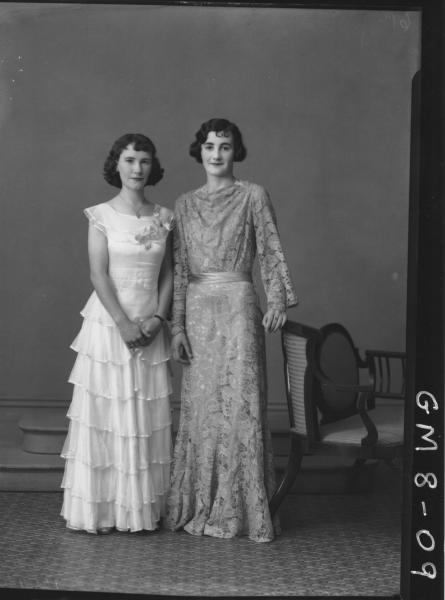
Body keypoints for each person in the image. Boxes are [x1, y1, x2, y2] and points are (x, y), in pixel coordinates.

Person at [165, 118, 297, 542]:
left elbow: (271, 247)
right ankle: (200, 503)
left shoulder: (253, 195)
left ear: (235, 151)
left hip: (240, 306)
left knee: (241, 406)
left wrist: (276, 299)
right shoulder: (183, 204)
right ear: (199, 151)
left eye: (224, 146)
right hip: (199, 312)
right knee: (202, 410)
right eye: (209, 146)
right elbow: (182, 270)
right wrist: (177, 327)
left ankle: (241, 509)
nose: (216, 154)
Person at [61, 133, 174, 534]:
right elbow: (98, 273)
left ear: (152, 166)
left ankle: (139, 510)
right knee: (108, 414)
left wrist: (158, 319)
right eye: (129, 160)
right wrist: (124, 325)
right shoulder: (101, 215)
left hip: (150, 324)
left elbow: (168, 273)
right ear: (117, 165)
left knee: (143, 414)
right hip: (110, 324)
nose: (137, 169)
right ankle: (104, 511)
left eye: (144, 161)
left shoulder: (164, 216)